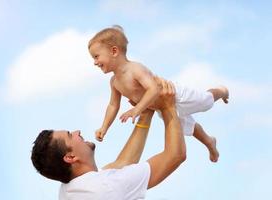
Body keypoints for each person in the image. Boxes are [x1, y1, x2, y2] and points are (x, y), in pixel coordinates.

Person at [88, 25, 229, 162]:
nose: (94, 62)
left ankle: (221, 91)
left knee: (206, 102)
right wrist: (104, 127)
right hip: (162, 107)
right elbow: (113, 105)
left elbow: (154, 89)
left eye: (96, 56)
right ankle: (210, 142)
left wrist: (137, 109)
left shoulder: (135, 69)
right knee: (187, 127)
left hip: (174, 95)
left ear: (114, 51)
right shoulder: (114, 82)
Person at [31, 79, 186, 200]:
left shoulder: (70, 190)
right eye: (70, 135)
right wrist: (168, 106)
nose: (77, 132)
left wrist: (145, 114)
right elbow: (175, 156)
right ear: (70, 157)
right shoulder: (105, 188)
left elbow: (122, 164)